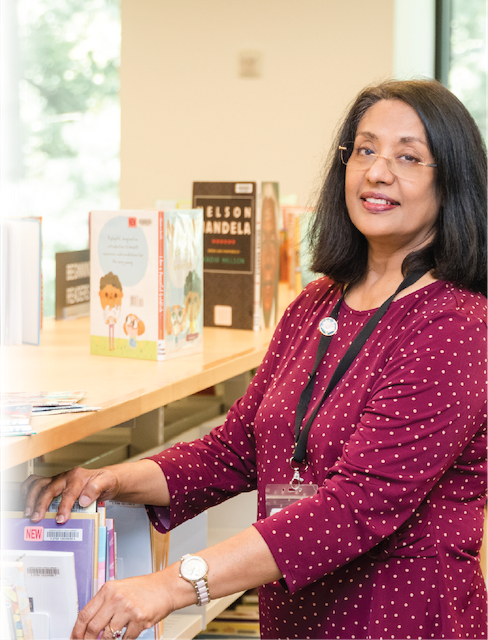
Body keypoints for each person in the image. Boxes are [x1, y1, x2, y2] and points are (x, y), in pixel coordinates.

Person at [21, 79, 488, 640]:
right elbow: (238, 447)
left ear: (452, 182)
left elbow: (354, 508)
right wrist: (109, 480)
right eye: (364, 149)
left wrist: (170, 585)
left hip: (397, 619)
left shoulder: (455, 328)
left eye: (408, 157)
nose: (378, 172)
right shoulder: (318, 302)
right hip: (295, 616)